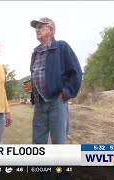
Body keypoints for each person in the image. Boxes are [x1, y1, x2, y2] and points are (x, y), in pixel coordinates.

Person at [24, 17, 82, 145]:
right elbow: (36, 74)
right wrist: (32, 90)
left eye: (40, 27)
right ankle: (40, 165)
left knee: (58, 143)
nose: (36, 30)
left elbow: (76, 72)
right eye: (36, 28)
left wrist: (65, 93)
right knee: (38, 144)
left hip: (56, 101)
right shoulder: (35, 52)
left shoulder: (61, 46)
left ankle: (58, 166)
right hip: (39, 104)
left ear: (50, 29)